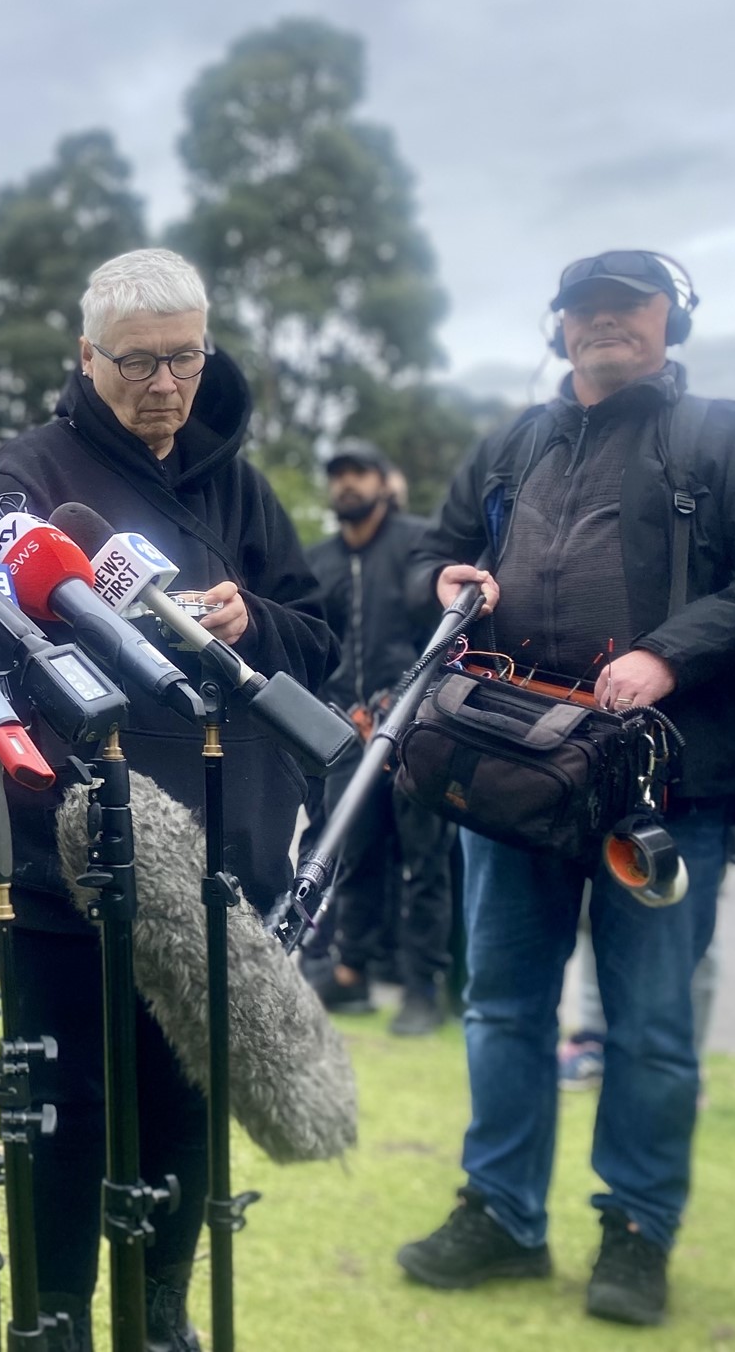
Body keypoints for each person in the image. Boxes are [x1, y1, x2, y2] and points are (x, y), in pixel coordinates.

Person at [398, 250, 735, 1327]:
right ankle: (499, 1214)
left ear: (670, 318)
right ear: (557, 326)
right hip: (509, 775)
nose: (603, 322)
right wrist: (439, 580)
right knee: (500, 1010)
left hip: (664, 786)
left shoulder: (727, 437)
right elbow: (428, 555)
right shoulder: (511, 442)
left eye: (627, 305)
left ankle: (634, 1231)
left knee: (651, 1026)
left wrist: (670, 654)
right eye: (583, 307)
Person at [0, 247, 336, 1350]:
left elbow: (315, 636)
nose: (164, 385)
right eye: (137, 363)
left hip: (218, 864)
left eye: (184, 359)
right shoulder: (22, 473)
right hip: (66, 860)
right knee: (63, 1108)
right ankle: (51, 1322)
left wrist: (251, 626)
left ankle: (159, 1317)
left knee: (184, 1101)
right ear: (87, 358)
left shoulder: (239, 484)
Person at [302, 438, 456, 1036]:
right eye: (338, 474)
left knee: (425, 862)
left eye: (359, 472)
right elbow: (317, 651)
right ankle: (352, 976)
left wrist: (405, 701)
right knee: (351, 855)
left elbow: (449, 639)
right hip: (349, 732)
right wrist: (339, 710)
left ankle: (423, 988)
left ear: (385, 482)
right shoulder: (321, 561)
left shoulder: (421, 548)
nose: (347, 484)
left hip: (420, 729)